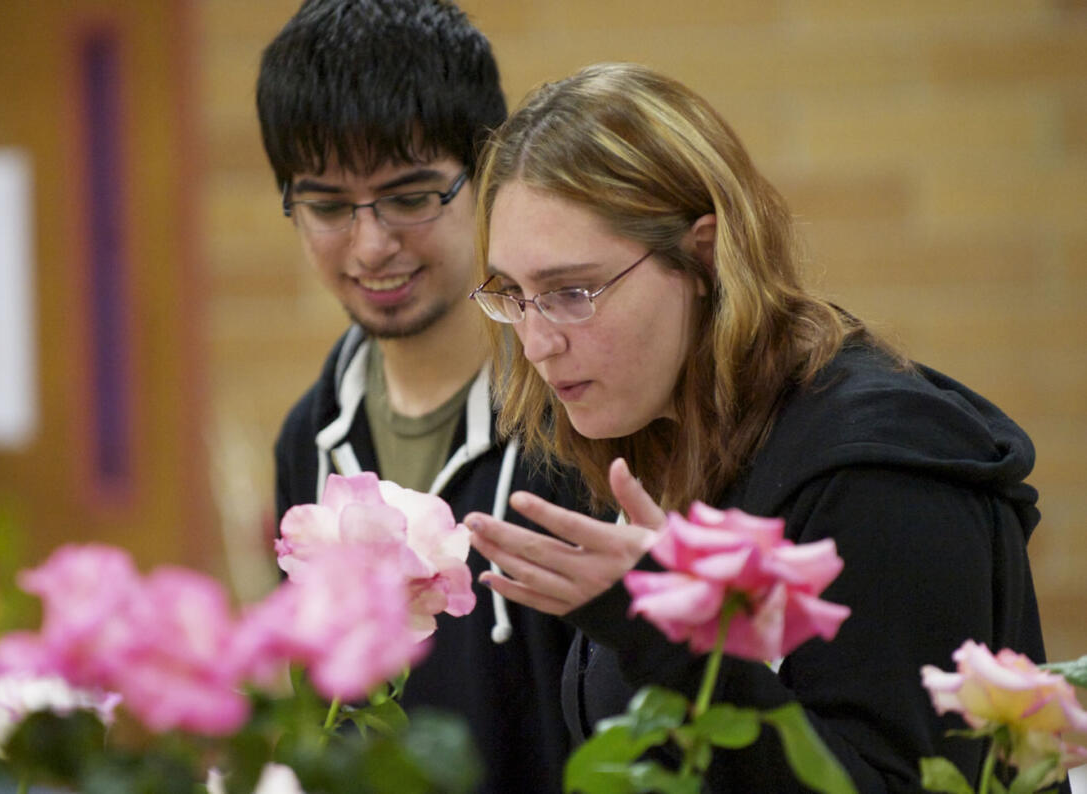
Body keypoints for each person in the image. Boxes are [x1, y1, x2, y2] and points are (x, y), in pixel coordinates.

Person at [462, 62, 1061, 792]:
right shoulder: (652, 437)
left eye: (572, 292)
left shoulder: (879, 469)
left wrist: (671, 640)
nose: (536, 341)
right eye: (512, 296)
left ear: (703, 257)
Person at [255, 2, 593, 791]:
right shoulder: (308, 438)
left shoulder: (579, 408)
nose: (372, 245)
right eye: (329, 207)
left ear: (490, 174)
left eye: (411, 197)